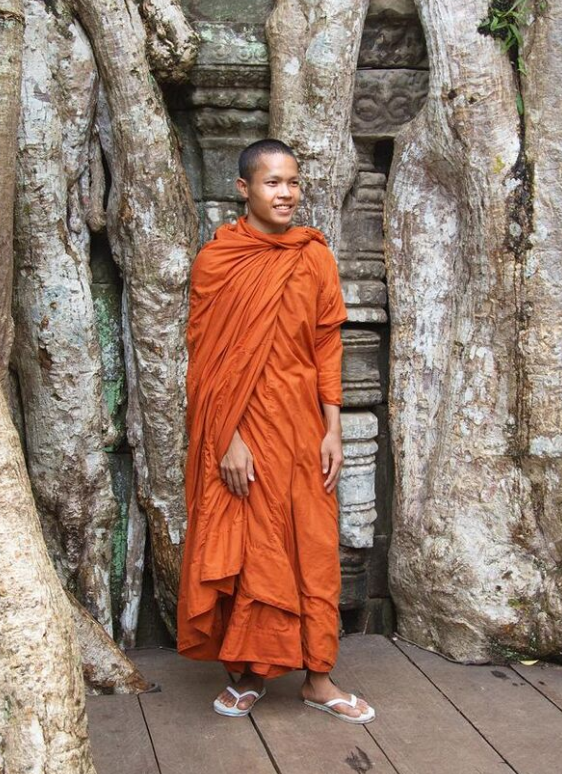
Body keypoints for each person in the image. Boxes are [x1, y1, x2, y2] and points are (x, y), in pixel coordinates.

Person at [175, 139, 375, 723]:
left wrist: (333, 429)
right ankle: (249, 672)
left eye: (292, 182)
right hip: (244, 430)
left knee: (312, 547)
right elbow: (207, 363)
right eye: (272, 183)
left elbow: (326, 344)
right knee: (252, 548)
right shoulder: (219, 260)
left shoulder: (314, 256)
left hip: (304, 426)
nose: (286, 193)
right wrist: (228, 440)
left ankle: (319, 678)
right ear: (244, 189)